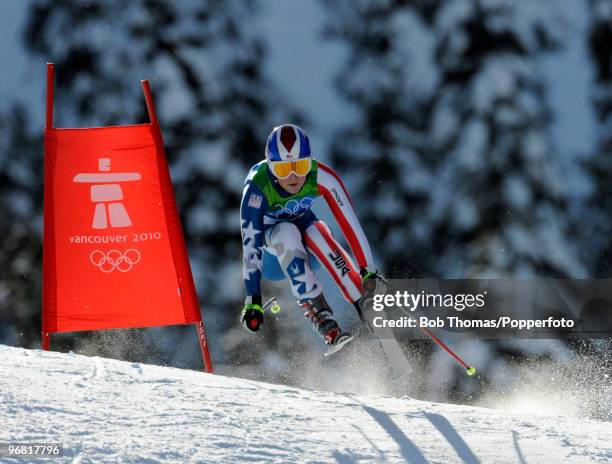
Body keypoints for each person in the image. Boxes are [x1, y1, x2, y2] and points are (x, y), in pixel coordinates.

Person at [240, 123, 385, 348]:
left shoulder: (322, 176)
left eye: (300, 165)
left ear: (310, 161)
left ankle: (365, 305)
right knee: (286, 232)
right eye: (283, 169)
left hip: (308, 245)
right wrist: (253, 300)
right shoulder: (257, 189)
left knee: (317, 230)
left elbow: (350, 224)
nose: (294, 176)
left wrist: (368, 270)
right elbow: (251, 248)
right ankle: (320, 315)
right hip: (272, 258)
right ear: (270, 167)